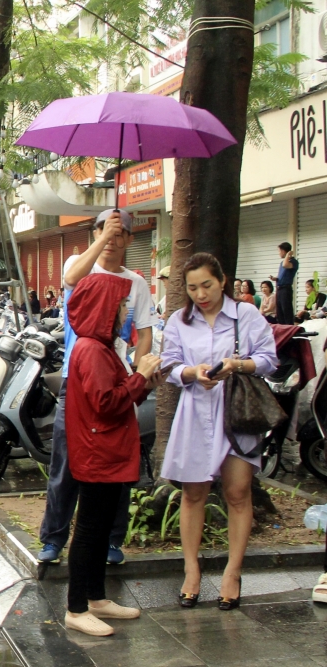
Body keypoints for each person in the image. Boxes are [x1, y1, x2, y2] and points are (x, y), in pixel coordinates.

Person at [37, 209, 158, 565]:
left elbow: (146, 330)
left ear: (130, 240)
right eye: (105, 231)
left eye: (120, 233)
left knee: (120, 462)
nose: (112, 239)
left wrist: (139, 368)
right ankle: (54, 538)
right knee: (66, 460)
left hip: (118, 383)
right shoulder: (81, 263)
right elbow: (72, 278)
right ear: (96, 234)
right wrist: (103, 238)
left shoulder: (136, 283)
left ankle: (111, 540)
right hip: (77, 381)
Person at [160, 252, 276, 610]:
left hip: (236, 415)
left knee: (238, 492)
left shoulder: (247, 315)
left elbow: (270, 359)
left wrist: (236, 365)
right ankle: (191, 570)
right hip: (196, 414)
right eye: (193, 288)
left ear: (222, 280)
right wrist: (193, 373)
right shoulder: (180, 321)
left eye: (206, 285)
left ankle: (232, 572)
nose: (200, 294)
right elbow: (169, 365)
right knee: (193, 495)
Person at [62, 273, 160, 636]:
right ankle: (75, 607)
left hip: (106, 450)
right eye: (120, 306)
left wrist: (142, 378)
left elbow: (116, 393)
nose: (125, 312)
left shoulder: (101, 347)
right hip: (98, 452)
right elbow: (106, 403)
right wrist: (140, 377)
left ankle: (96, 596)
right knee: (89, 529)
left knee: (101, 528)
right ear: (103, 309)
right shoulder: (91, 349)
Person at [271, 242, 298, 325]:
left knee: (286, 311)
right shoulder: (281, 263)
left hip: (286, 289)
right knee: (280, 313)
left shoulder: (293, 262)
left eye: (279, 251)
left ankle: (289, 329)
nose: (279, 253)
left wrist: (288, 255)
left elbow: (286, 265)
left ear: (283, 251)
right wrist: (275, 278)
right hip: (279, 289)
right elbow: (281, 275)